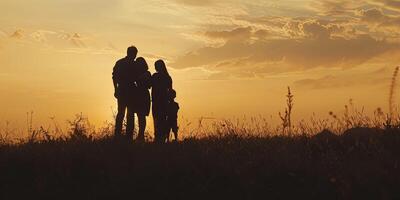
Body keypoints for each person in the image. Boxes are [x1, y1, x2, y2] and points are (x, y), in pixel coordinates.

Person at [112, 46, 139, 139]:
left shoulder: (120, 63)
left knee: (124, 113)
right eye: (134, 54)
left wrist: (116, 89)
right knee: (126, 114)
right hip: (127, 90)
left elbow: (114, 77)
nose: (135, 56)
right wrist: (116, 89)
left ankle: (120, 136)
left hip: (125, 90)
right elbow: (114, 77)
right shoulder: (133, 64)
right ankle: (125, 137)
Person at [151, 59, 172, 143]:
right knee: (162, 120)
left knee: (157, 120)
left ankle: (158, 139)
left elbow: (149, 85)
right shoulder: (167, 77)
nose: (156, 68)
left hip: (158, 102)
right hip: (163, 102)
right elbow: (170, 90)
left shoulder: (155, 76)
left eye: (156, 66)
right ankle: (162, 139)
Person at [135, 57, 152, 141]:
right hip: (138, 95)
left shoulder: (147, 73)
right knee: (140, 115)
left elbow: (149, 86)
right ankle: (140, 135)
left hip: (143, 95)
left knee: (142, 116)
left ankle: (141, 135)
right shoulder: (136, 73)